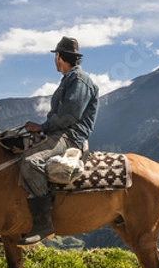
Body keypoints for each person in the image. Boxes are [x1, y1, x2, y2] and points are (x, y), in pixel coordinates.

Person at [18, 36, 99, 246]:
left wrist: (42, 128)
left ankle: (44, 223)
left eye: (55, 56)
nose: (55, 60)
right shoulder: (70, 78)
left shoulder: (80, 80)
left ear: (59, 57)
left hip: (70, 137)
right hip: (59, 133)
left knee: (30, 162)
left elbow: (69, 116)